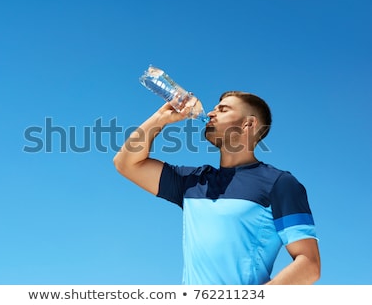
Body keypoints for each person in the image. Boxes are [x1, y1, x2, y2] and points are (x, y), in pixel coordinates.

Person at [113, 91, 321, 285]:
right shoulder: (193, 181)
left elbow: (309, 264)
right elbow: (126, 163)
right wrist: (160, 118)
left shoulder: (279, 183)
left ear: (248, 124)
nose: (211, 113)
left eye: (223, 109)